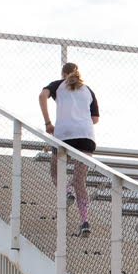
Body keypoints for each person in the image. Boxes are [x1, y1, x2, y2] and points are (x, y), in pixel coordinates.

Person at [38, 62, 99, 237]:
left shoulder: (58, 85)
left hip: (65, 135)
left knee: (55, 171)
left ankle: (67, 192)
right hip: (86, 136)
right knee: (80, 180)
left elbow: (42, 96)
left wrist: (48, 122)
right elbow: (94, 119)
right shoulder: (88, 90)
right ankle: (85, 221)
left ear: (63, 74)